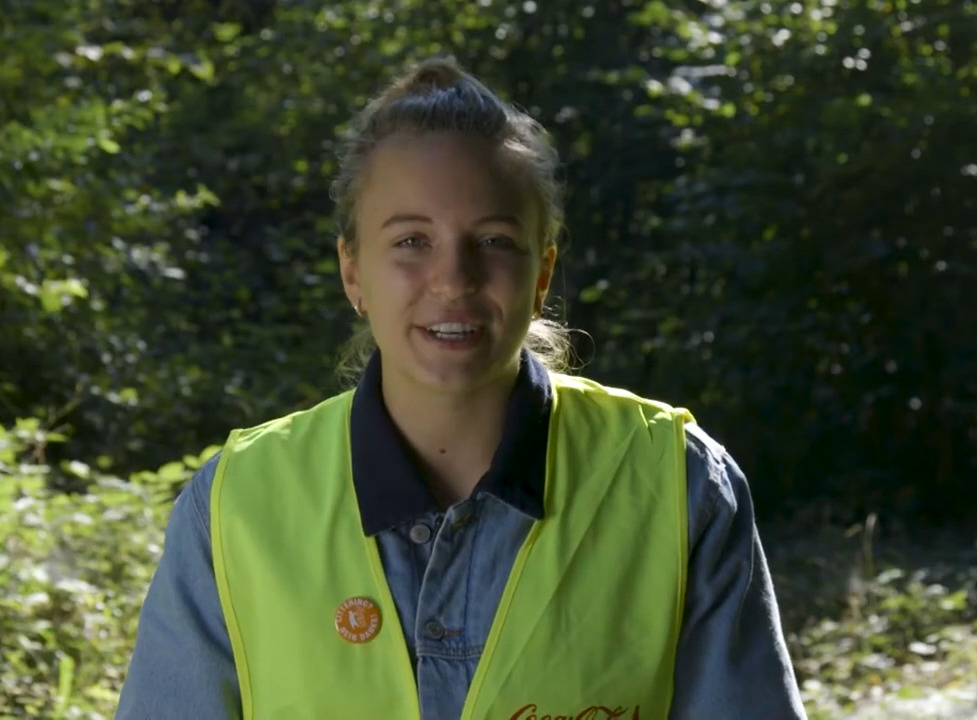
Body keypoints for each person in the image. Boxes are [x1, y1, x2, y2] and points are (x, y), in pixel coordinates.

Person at [115, 57, 806, 720]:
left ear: (542, 274)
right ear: (353, 272)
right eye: (411, 241)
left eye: (495, 241)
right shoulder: (237, 505)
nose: (453, 280)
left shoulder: (676, 482)